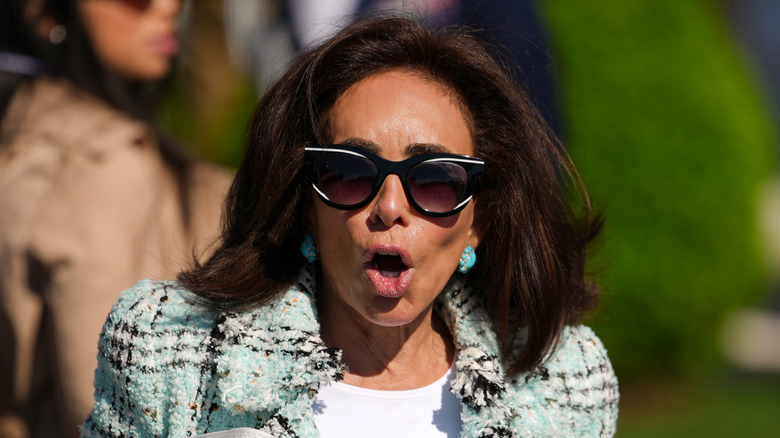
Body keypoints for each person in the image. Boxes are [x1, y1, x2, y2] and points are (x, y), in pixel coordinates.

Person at [82, 16, 618, 437]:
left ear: (478, 223)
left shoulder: (566, 384)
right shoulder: (170, 351)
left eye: (434, 181)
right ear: (305, 205)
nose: (389, 206)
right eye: (350, 173)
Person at [0, 1, 232, 437]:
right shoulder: (100, 164)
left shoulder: (24, 134)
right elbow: (114, 411)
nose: (167, 7)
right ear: (47, 12)